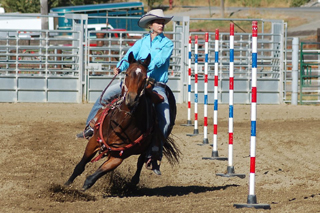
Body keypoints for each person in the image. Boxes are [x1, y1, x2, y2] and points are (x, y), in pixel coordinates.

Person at [77, 9, 175, 175]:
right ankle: (90, 127)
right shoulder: (142, 41)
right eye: (158, 22)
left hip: (155, 84)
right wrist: (121, 67)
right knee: (106, 95)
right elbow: (129, 55)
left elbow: (160, 60)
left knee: (165, 117)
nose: (161, 25)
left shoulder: (168, 44)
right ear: (151, 25)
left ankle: (154, 152)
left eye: (162, 22)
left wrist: (142, 68)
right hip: (134, 80)